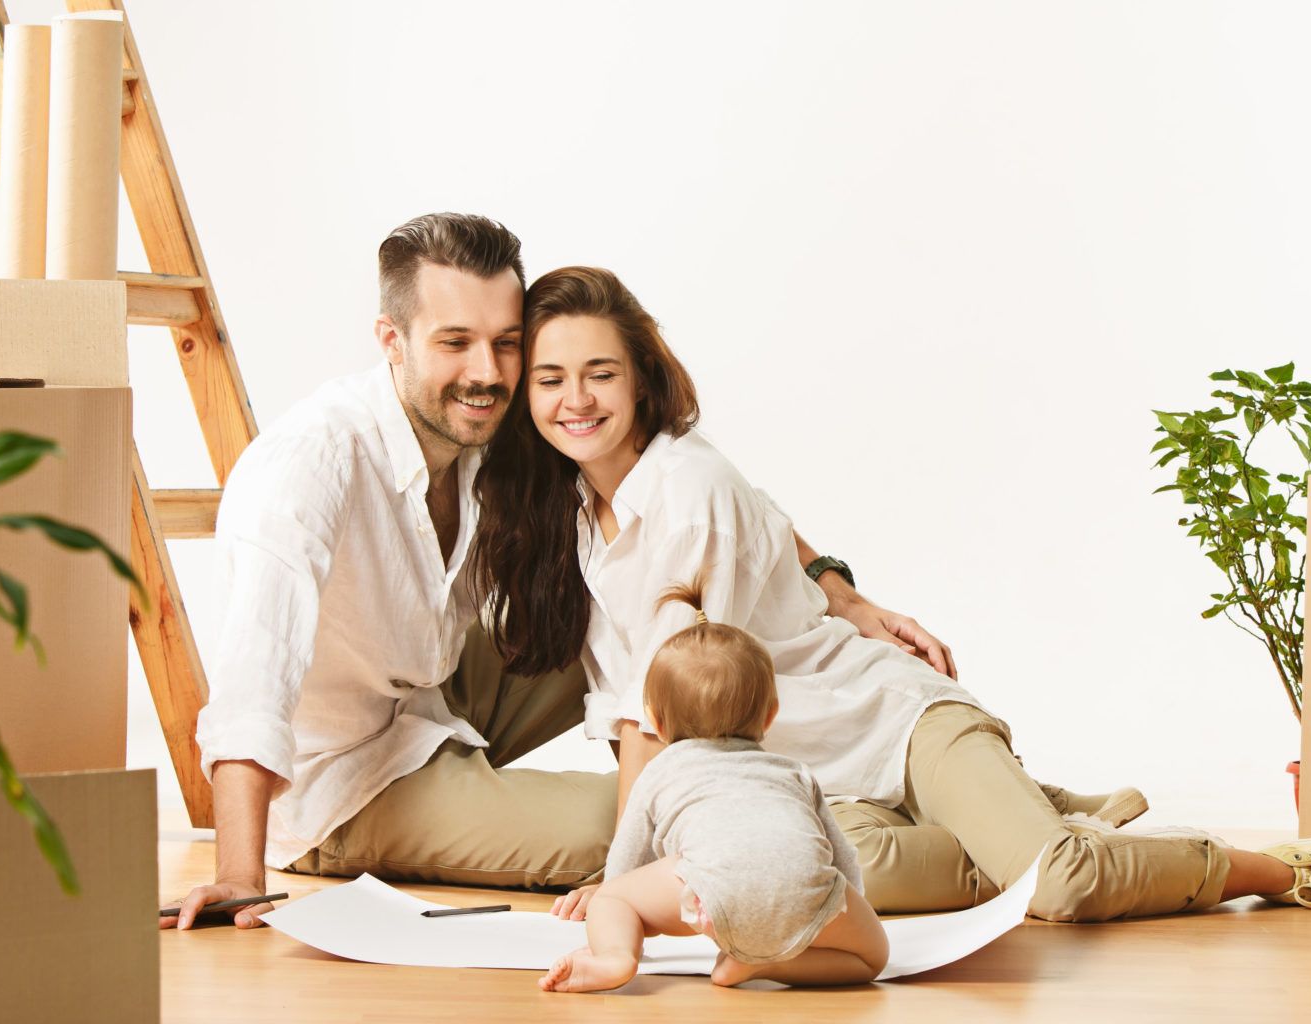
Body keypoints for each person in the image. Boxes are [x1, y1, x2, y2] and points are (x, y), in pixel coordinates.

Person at [476, 265, 1311, 922]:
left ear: (641, 376)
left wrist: (624, 881)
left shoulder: (685, 487)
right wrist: (842, 593)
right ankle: (1037, 811)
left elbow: (659, 715)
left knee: (1057, 887)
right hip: (822, 781)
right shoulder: (570, 506)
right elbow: (773, 517)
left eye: (600, 373)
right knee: (836, 877)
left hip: (892, 723)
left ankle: (1294, 869)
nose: (575, 400)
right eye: (551, 379)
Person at [166, 214, 948, 930]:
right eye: (454, 342)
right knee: (628, 829)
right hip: (344, 776)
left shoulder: (497, 417)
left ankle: (872, 779)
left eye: (506, 342)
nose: (487, 371)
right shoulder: (311, 461)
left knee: (657, 615)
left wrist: (841, 592)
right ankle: (871, 845)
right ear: (391, 339)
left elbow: (711, 496)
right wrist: (239, 871)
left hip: (429, 692)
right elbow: (250, 678)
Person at [540, 581, 888, 992]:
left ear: (659, 722)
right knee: (871, 959)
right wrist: (837, 906)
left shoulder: (661, 771)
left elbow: (626, 858)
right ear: (771, 715)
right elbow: (841, 856)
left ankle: (615, 957)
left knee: (613, 898)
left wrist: (615, 899)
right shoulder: (794, 772)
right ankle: (760, 966)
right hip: (805, 896)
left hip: (708, 896)